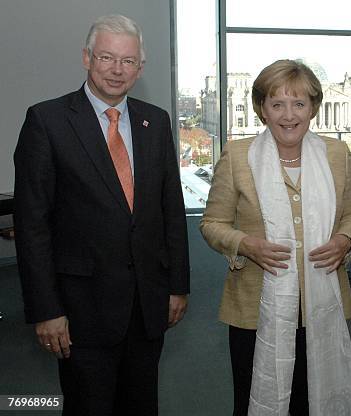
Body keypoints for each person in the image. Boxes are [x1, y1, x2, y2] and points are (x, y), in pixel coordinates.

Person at [13, 14, 190, 416]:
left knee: (141, 405)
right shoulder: (47, 121)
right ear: (87, 58)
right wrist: (46, 309)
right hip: (80, 312)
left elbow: (171, 211)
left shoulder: (156, 121)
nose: (116, 69)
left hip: (147, 305)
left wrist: (178, 286)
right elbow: (32, 226)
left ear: (140, 68)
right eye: (107, 57)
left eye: (127, 61)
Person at [201, 59, 351, 416]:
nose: (289, 115)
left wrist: (346, 241)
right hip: (255, 308)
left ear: (313, 108)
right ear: (262, 109)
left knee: (312, 400)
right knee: (255, 399)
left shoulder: (336, 154)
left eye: (299, 103)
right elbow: (212, 223)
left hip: (321, 305)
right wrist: (245, 244)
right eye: (277, 104)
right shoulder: (237, 157)